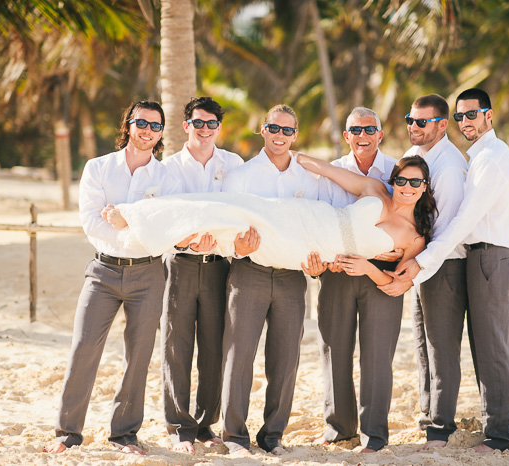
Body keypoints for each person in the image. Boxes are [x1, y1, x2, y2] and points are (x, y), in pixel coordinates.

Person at [44, 100, 179, 455]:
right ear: (128, 125)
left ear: (162, 133)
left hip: (149, 274)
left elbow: (165, 227)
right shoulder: (98, 168)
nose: (147, 130)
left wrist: (126, 219)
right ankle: (67, 433)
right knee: (83, 348)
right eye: (141, 123)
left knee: (139, 355)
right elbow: (92, 221)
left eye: (155, 125)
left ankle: (124, 435)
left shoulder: (167, 178)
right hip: (102, 271)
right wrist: (133, 231)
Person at [394, 88, 509, 452]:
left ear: (489, 116)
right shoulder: (478, 156)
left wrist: (422, 260)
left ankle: (500, 435)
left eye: (472, 114)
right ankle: (506, 420)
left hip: (489, 256)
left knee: (491, 348)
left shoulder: (489, 159)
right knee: (487, 346)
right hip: (481, 256)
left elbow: (463, 221)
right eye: (460, 116)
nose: (465, 122)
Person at [219, 104, 322, 457]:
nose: (280, 136)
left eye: (287, 131)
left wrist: (317, 262)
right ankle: (234, 437)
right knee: (239, 356)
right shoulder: (242, 177)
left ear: (296, 134)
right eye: (273, 129)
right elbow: (225, 225)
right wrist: (236, 244)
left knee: (285, 359)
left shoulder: (308, 179)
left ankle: (272, 436)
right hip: (249, 273)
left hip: (293, 278)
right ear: (262, 130)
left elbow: (315, 226)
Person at [311, 107, 407, 453]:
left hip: (381, 273)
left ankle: (375, 435)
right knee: (334, 349)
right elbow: (319, 222)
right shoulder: (330, 173)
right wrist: (322, 263)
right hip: (335, 274)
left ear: (380, 134)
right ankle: (339, 428)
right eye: (356, 130)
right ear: (346, 136)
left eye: (370, 129)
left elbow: (412, 217)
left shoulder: (398, 170)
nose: (363, 135)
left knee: (378, 355)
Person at [159, 97, 243, 455]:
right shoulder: (168, 167)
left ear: (219, 128)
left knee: (214, 346)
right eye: (198, 122)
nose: (204, 129)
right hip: (178, 262)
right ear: (186, 125)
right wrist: (191, 238)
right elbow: (165, 214)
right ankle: (179, 427)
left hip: (219, 266)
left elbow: (240, 212)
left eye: (211, 123)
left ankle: (207, 424)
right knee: (176, 346)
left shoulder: (235, 165)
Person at [391, 94, 468, 432]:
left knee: (442, 347)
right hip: (419, 262)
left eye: (421, 122)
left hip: (444, 263)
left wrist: (418, 265)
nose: (413, 127)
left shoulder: (450, 167)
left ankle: (441, 422)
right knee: (422, 341)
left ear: (441, 125)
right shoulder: (412, 157)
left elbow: (446, 231)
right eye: (410, 121)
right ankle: (428, 410)